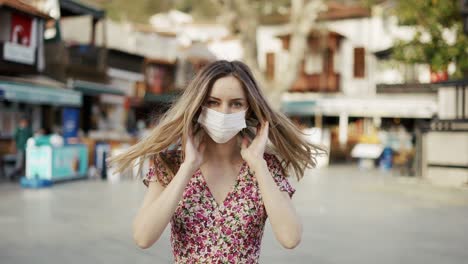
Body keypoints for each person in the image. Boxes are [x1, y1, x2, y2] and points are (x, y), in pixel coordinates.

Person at [110, 60, 325, 263]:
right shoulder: (170, 164)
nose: (223, 112)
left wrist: (258, 165)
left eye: (236, 104)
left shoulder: (266, 168)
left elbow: (290, 238)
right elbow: (143, 237)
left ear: (248, 109)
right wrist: (187, 168)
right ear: (198, 105)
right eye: (213, 102)